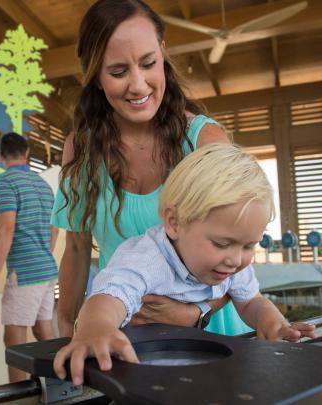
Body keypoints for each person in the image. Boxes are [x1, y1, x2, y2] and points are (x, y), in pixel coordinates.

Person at [54, 0, 244, 338]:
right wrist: (67, 328)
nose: (138, 85)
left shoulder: (204, 142)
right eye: (118, 71)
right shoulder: (81, 148)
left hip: (210, 331)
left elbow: (239, 247)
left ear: (162, 53)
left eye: (147, 63)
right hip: (123, 333)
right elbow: (77, 248)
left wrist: (194, 313)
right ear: (96, 76)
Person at [53, 144, 316, 385]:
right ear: (175, 223)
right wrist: (96, 327)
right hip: (139, 366)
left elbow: (251, 301)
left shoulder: (232, 263)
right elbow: (109, 296)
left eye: (248, 246)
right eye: (222, 244)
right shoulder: (147, 258)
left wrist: (274, 323)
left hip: (198, 361)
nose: (236, 260)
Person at [0, 132, 59, 382]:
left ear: (1, 155)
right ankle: (62, 391)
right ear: (26, 154)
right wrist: (44, 252)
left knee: (15, 345)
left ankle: (18, 399)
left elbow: (7, 228)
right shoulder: (43, 185)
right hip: (47, 269)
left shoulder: (5, 182)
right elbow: (54, 227)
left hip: (25, 273)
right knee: (44, 333)